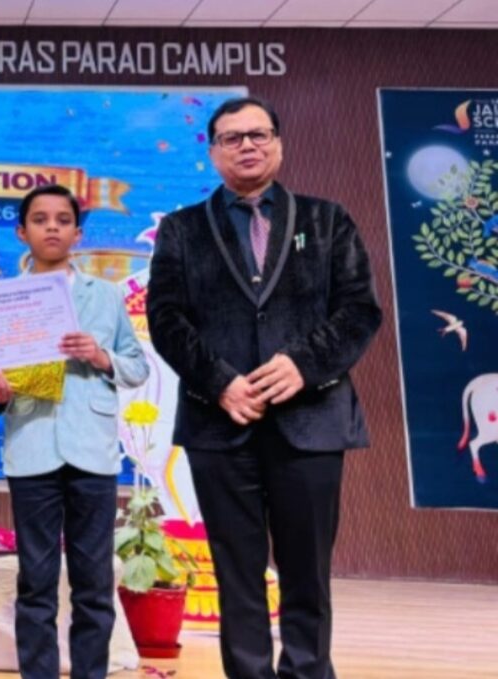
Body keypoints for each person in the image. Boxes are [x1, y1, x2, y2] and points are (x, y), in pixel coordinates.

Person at [146, 96, 382, 679]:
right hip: (218, 422)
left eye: (258, 134)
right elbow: (166, 320)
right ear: (213, 152)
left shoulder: (328, 220)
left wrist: (303, 364)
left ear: (278, 143)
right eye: (232, 138)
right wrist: (221, 383)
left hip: (312, 419)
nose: (247, 145)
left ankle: (307, 671)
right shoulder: (181, 229)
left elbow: (359, 310)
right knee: (237, 572)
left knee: (308, 572)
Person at [0, 184, 149, 679]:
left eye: (62, 220)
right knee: (35, 581)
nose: (51, 227)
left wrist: (99, 356)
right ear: (21, 232)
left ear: (78, 234)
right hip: (31, 447)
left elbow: (137, 367)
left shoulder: (105, 296)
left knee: (93, 582)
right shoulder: (2, 299)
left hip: (92, 453)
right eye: (40, 219)